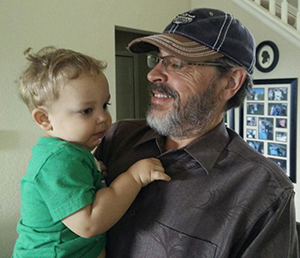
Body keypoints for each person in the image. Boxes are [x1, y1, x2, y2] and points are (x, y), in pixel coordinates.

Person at [94, 8, 299, 258]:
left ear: (230, 82)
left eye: (176, 63)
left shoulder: (264, 191)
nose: (153, 74)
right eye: (159, 59)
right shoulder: (119, 137)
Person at [12, 46, 170, 258]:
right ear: (45, 119)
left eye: (105, 105)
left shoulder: (73, 155)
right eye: (87, 110)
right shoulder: (59, 160)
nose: (103, 117)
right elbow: (89, 223)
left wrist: (92, 171)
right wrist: (134, 177)